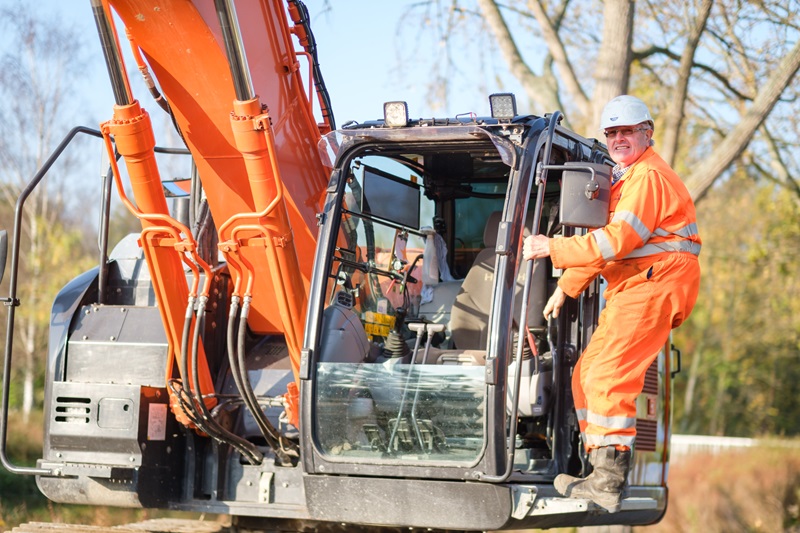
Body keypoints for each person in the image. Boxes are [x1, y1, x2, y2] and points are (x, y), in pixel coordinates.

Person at [523, 95, 701, 513]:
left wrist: (552, 246)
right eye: (613, 132)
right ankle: (597, 469)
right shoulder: (627, 179)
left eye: (628, 131)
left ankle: (608, 480)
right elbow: (607, 253)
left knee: (606, 373)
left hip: (654, 282)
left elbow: (615, 241)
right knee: (586, 374)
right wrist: (565, 287)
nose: (619, 138)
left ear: (647, 131)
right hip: (640, 281)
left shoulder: (646, 179)